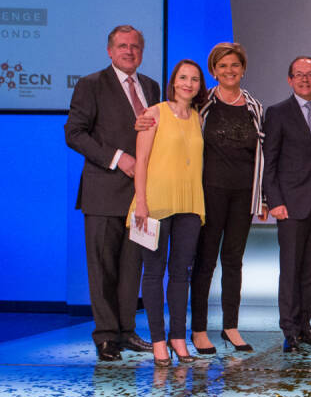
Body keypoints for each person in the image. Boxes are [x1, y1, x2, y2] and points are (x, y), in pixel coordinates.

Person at [65, 25, 160, 362]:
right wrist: (119, 159)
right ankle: (106, 336)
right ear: (109, 51)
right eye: (122, 46)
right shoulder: (91, 84)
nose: (129, 51)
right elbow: (74, 133)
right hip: (104, 192)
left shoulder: (151, 86)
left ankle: (126, 331)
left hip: (140, 196)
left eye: (135, 46)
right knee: (103, 267)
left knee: (132, 267)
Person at [130, 59, 207, 366]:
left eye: (195, 79)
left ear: (200, 86)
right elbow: (142, 160)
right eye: (183, 77)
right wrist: (142, 201)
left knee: (180, 274)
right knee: (153, 272)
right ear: (174, 81)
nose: (188, 83)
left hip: (189, 204)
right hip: (155, 203)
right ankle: (158, 341)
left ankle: (178, 337)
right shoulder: (154, 113)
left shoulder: (197, 117)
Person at [193, 43, 267, 353]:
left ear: (243, 68)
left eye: (234, 65)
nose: (229, 71)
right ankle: (198, 330)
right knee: (205, 261)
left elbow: (263, 154)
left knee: (233, 261)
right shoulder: (202, 103)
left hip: (243, 195)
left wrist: (262, 197)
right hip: (208, 192)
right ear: (213, 70)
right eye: (223, 66)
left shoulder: (254, 106)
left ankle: (230, 327)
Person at [263, 56, 311, 353]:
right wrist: (274, 201)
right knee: (290, 270)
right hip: (290, 205)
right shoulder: (278, 113)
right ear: (289, 80)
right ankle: (289, 331)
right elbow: (270, 162)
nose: (305, 79)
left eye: (310, 75)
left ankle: (305, 326)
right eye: (299, 74)